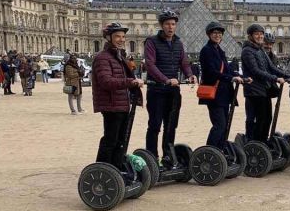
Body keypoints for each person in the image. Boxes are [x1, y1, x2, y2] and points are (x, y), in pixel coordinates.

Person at [143, 10, 195, 162]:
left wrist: (190, 74)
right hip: (157, 91)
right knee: (155, 125)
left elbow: (184, 62)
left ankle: (167, 155)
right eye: (167, 24)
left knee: (171, 125)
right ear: (161, 25)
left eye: (173, 24)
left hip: (173, 91)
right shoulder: (151, 42)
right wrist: (165, 79)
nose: (170, 27)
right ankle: (152, 157)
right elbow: (150, 65)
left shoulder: (178, 43)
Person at [92, 23, 144, 169]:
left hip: (121, 103)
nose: (121, 39)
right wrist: (131, 82)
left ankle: (115, 168)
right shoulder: (103, 58)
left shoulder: (118, 56)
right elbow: (106, 81)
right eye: (117, 37)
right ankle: (101, 170)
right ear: (108, 38)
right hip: (111, 105)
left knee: (121, 140)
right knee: (110, 140)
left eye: (123, 37)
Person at [198, 22, 245, 149]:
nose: (217, 35)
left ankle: (220, 150)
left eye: (219, 33)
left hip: (224, 94)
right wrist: (231, 78)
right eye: (214, 33)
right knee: (220, 125)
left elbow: (227, 70)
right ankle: (209, 151)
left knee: (225, 125)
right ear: (209, 34)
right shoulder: (206, 50)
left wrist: (241, 77)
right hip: (214, 94)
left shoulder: (219, 50)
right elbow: (211, 72)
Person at [241, 23, 290, 144]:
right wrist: (275, 79)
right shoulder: (247, 51)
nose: (260, 36)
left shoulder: (260, 50)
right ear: (251, 36)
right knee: (260, 119)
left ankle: (262, 143)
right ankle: (257, 144)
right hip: (254, 91)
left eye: (261, 34)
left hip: (264, 90)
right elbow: (255, 71)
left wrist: (288, 76)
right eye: (256, 34)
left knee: (267, 118)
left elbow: (271, 67)